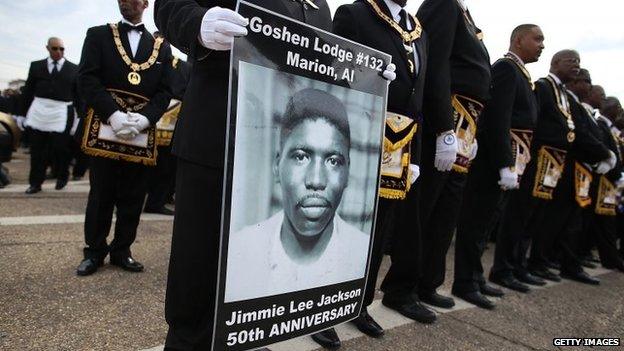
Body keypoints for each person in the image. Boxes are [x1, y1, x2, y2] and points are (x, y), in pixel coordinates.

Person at [154, 1, 334, 350]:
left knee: (257, 272)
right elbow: (170, 5)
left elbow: (318, 65)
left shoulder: (319, 6)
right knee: (198, 279)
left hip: (277, 151)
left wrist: (366, 76)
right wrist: (197, 24)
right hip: (217, 140)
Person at [333, 0, 430, 336]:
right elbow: (334, 72)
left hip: (400, 145)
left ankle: (359, 303)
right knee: (345, 223)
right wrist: (366, 78)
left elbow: (419, 98)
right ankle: (325, 304)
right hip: (359, 131)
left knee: (380, 228)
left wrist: (414, 155)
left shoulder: (418, 30)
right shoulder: (355, 14)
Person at [226, 88, 369, 302]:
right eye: (301, 157)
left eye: (333, 161)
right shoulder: (239, 250)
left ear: (348, 172)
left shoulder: (361, 253)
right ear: (277, 166)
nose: (316, 181)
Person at [76, 0, 172, 276]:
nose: (124, 2)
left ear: (145, 3)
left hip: (140, 131)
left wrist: (146, 119)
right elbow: (87, 78)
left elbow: (165, 91)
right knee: (101, 193)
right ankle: (94, 251)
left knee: (133, 195)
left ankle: (122, 250)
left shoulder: (161, 48)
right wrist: (113, 114)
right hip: (107, 125)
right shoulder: (98, 35)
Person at [415, 0, 492, 310]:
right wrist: (445, 127)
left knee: (447, 211)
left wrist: (471, 132)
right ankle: (402, 285)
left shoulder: (465, 13)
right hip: (445, 118)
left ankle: (427, 283)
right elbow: (436, 64)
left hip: (466, 124)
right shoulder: (443, 4)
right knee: (426, 206)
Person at [457, 24, 544, 298]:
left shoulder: (523, 75)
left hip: (509, 160)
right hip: (492, 162)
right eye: (537, 38)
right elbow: (498, 119)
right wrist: (505, 163)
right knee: (476, 220)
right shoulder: (507, 69)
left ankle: (476, 276)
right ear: (519, 40)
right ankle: (465, 282)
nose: (542, 45)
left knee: (487, 222)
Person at [527, 62, 614, 285]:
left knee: (567, 220)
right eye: (587, 81)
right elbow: (579, 134)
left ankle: (551, 261)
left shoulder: (571, 102)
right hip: (564, 167)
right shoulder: (557, 95)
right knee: (550, 218)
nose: (590, 86)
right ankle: (540, 261)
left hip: (572, 168)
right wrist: (604, 153)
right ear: (575, 83)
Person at [21, 37, 79, 194]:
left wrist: (79, 115)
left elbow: (79, 95)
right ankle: (35, 183)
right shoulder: (36, 66)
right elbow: (28, 90)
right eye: (55, 48)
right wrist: (21, 114)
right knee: (37, 149)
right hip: (39, 109)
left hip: (62, 111)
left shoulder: (74, 69)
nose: (59, 52)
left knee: (60, 147)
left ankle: (62, 175)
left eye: (62, 49)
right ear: (48, 48)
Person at [144, 31, 190, 215]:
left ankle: (157, 200)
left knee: (166, 166)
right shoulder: (142, 62)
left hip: (172, 122)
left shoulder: (184, 67)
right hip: (145, 117)